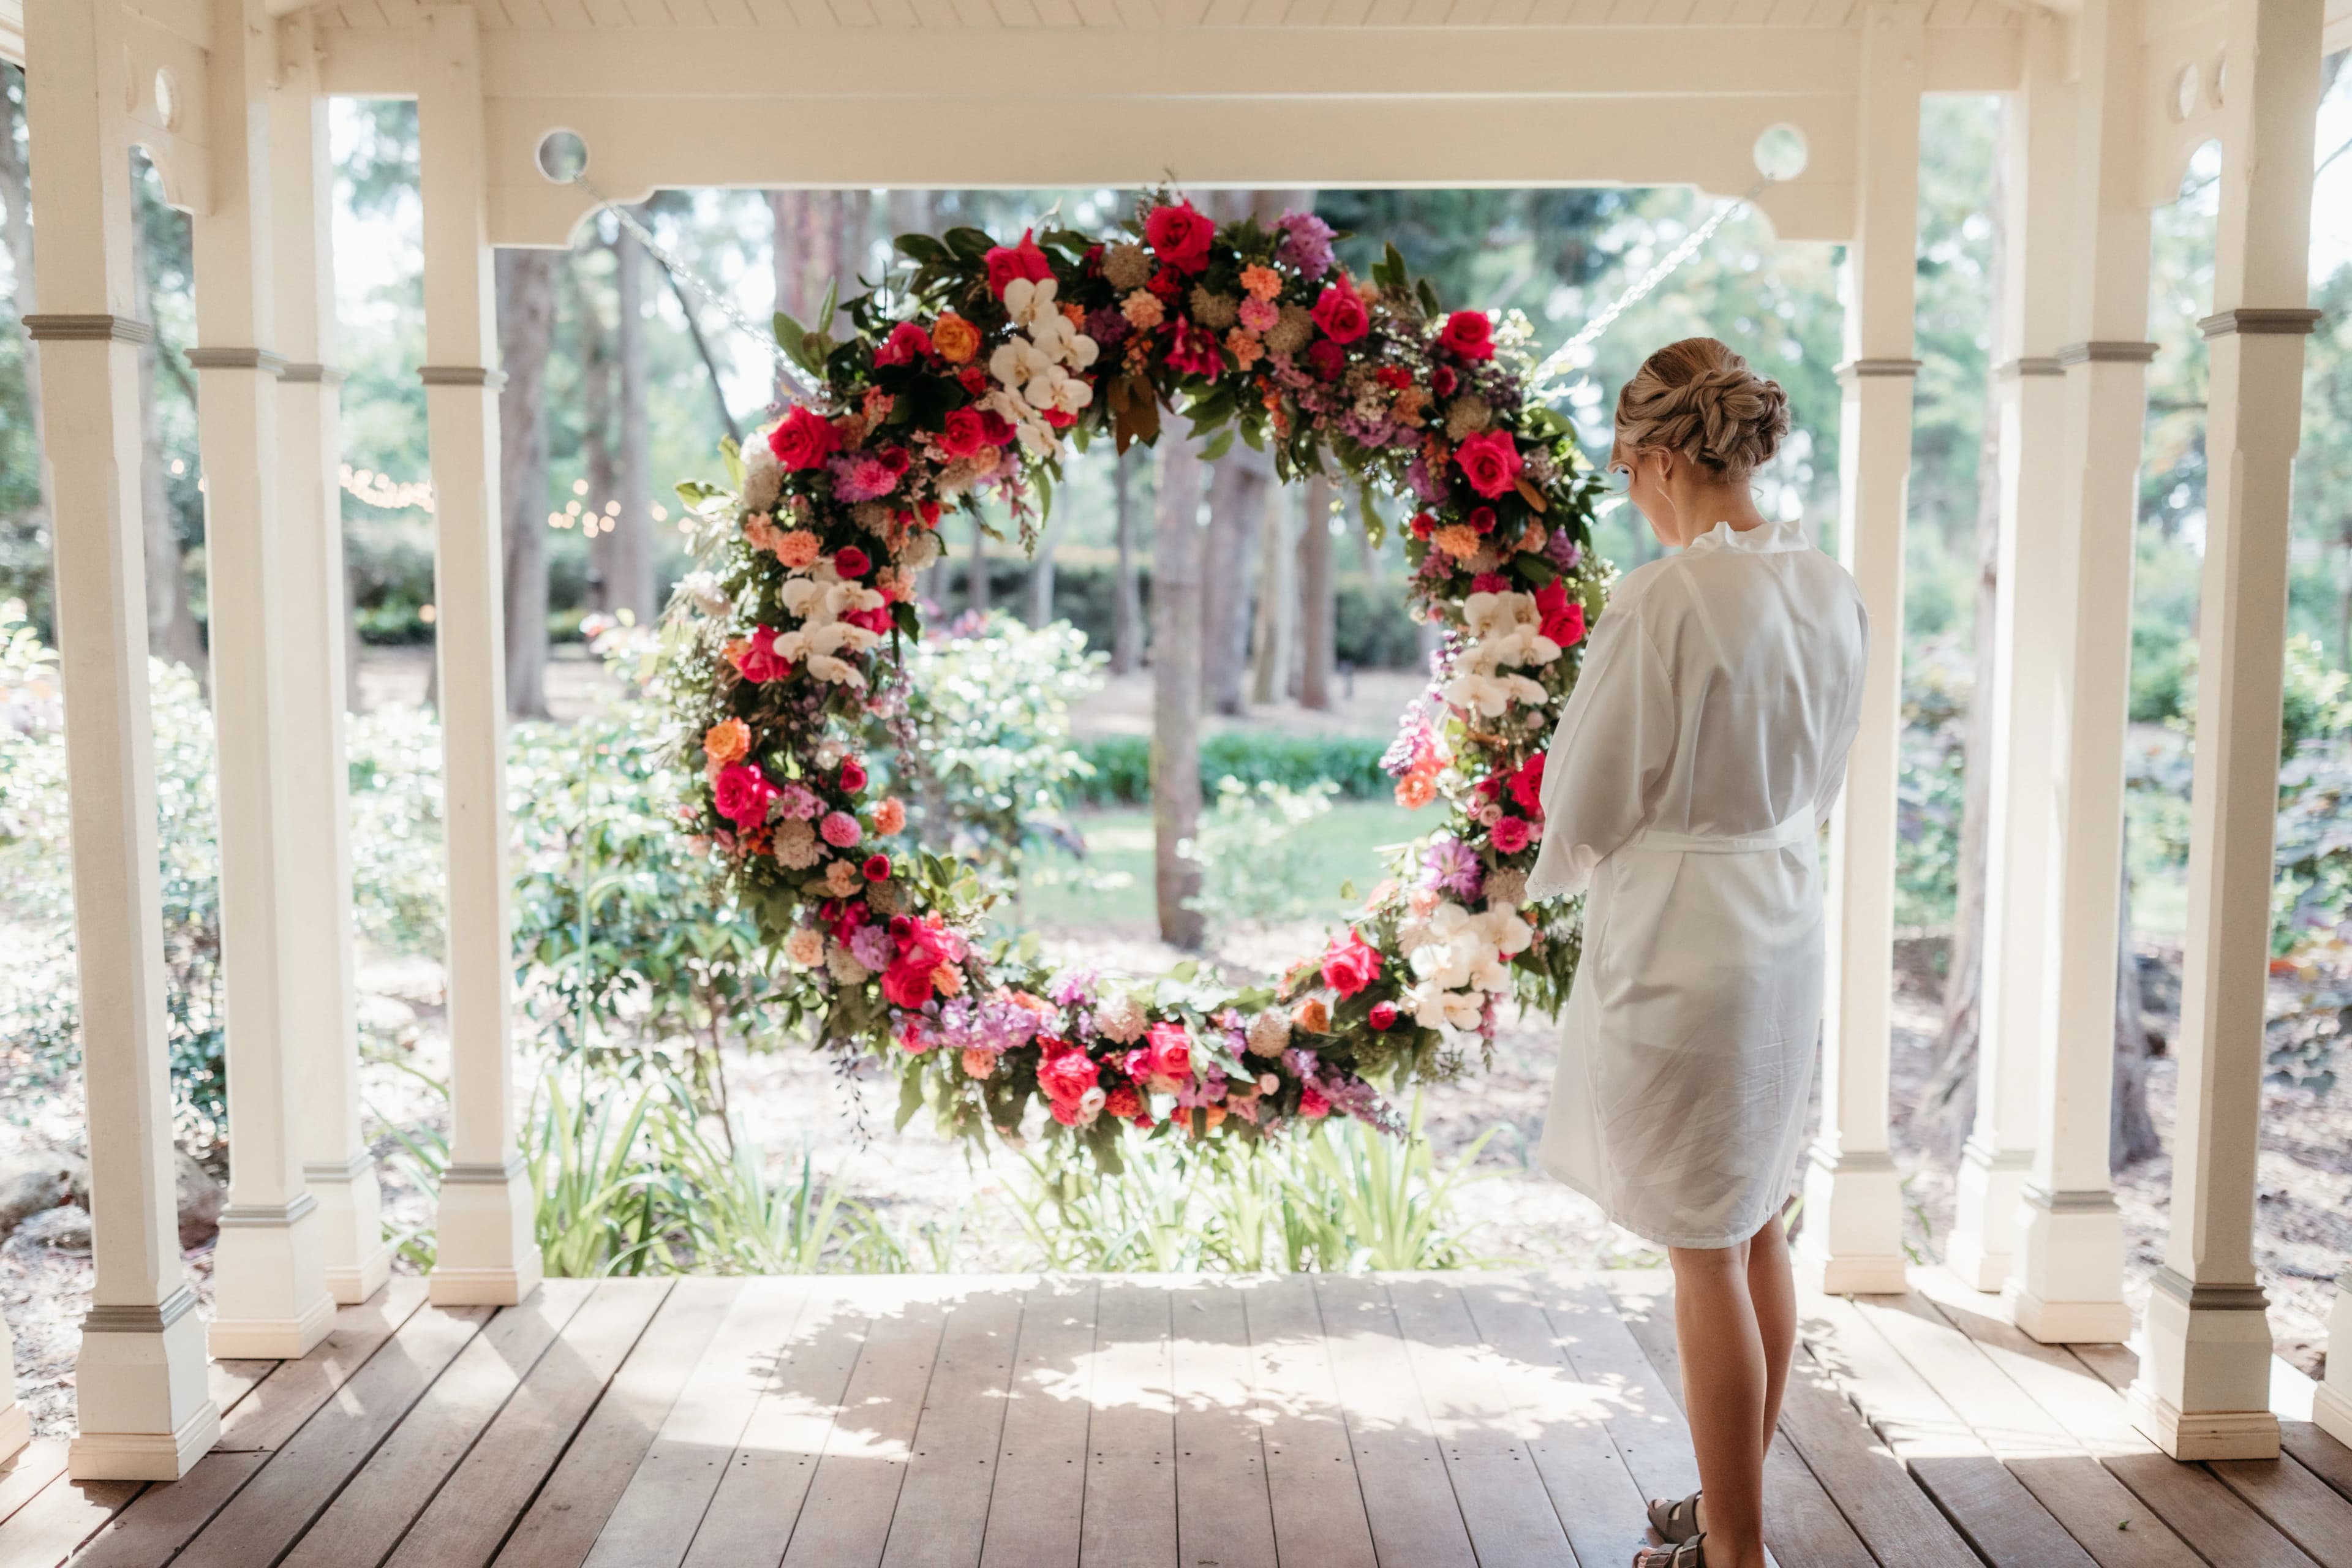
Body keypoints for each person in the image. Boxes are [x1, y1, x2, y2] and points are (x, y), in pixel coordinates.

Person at [1525, 337, 1868, 1568]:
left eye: (1627, 470)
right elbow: (1825, 779)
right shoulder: (1831, 585)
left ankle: (1734, 1553)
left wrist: (1562, 861)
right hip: (1782, 914)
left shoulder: (1662, 598)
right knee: (1755, 1212)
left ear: (1663, 459)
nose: (1631, 495)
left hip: (1683, 939)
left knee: (1705, 1242)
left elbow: (1591, 792)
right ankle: (1736, 1507)